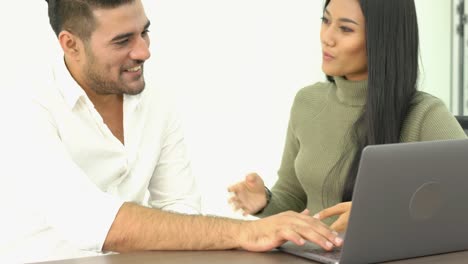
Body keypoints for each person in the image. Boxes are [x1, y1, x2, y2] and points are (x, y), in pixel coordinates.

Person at [0, 0, 344, 263]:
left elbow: (180, 212)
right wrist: (249, 232)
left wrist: (263, 231)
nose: (144, 51)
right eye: (123, 41)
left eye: (144, 32)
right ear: (70, 44)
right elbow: (93, 222)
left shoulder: (156, 100)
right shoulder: (24, 108)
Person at [228, 0, 467, 233]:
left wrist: (382, 214)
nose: (327, 37)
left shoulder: (424, 115)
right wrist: (265, 201)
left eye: (345, 29)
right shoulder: (307, 102)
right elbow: (293, 198)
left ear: (382, 39)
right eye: (326, 20)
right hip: (308, 255)